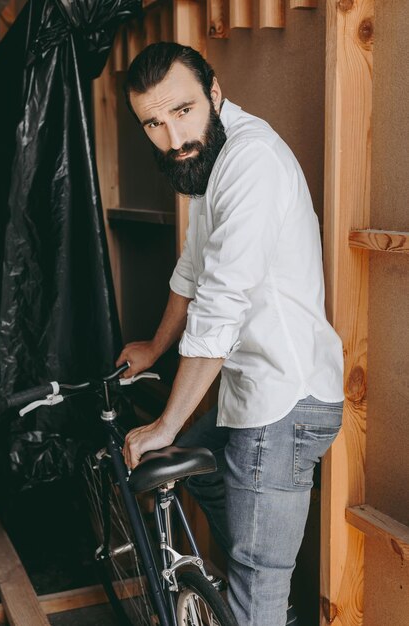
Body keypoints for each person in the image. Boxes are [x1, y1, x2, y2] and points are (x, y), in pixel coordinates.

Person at [117, 42, 344, 626]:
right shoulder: (208, 165)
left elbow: (218, 309)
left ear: (215, 93)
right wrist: (155, 347)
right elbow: (193, 273)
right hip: (250, 398)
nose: (172, 137)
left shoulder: (250, 163)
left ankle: (258, 603)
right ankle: (256, 589)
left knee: (255, 580)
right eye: (154, 123)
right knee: (204, 475)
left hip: (284, 403)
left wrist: (168, 421)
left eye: (184, 111)